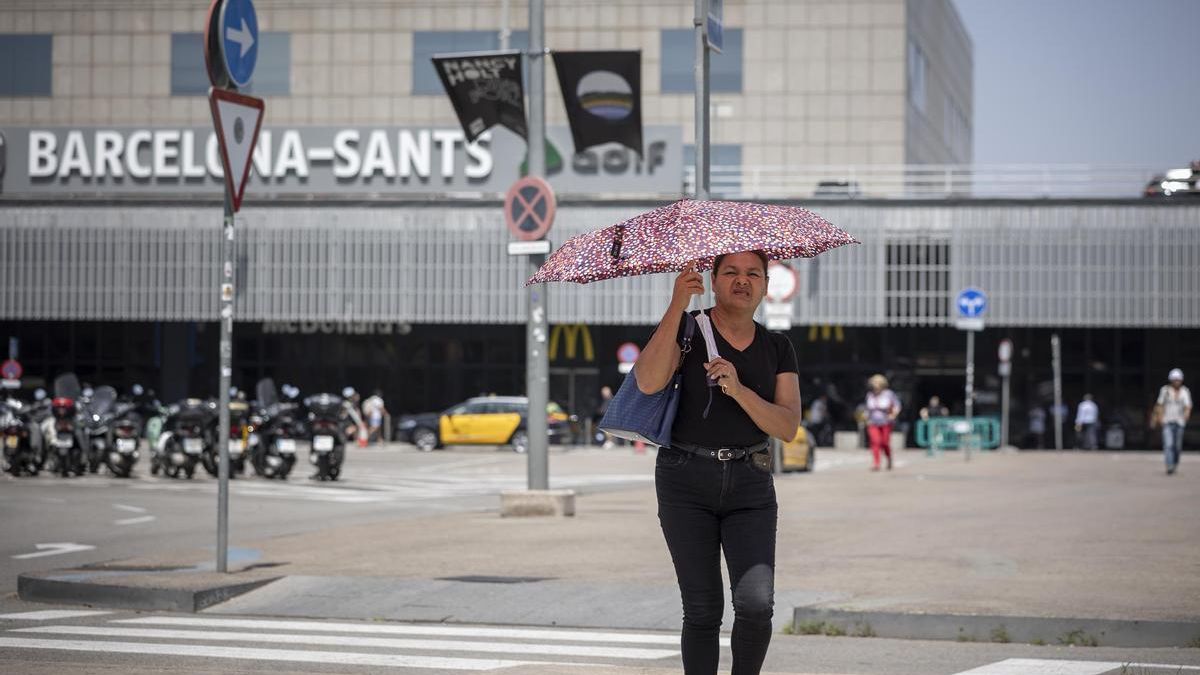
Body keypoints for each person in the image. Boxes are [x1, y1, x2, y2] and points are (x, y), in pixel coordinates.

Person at [635, 251, 801, 675]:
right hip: (684, 480)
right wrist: (676, 305)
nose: (742, 281)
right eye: (730, 272)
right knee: (703, 608)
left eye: (753, 274)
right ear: (712, 280)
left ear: (765, 284)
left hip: (751, 482)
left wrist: (739, 390)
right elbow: (649, 381)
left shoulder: (777, 346)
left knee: (756, 604)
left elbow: (786, 426)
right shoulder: (689, 328)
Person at [1154, 369, 1192, 475]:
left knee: (1177, 446)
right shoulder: (1165, 390)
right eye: (1175, 380)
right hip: (1167, 421)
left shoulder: (1185, 391)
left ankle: (1175, 463)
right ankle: (1169, 465)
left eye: (1178, 380)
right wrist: (1160, 418)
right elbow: (1160, 404)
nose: (1177, 382)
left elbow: (1188, 405)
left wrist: (1186, 414)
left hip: (1179, 422)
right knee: (1168, 444)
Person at [864, 374, 900, 471]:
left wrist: (893, 415)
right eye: (873, 383)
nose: (875, 385)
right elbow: (867, 409)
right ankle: (876, 463)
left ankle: (888, 458)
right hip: (873, 422)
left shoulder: (889, 394)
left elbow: (897, 405)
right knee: (875, 442)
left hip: (886, 422)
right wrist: (866, 416)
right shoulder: (870, 395)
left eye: (877, 383)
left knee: (884, 443)